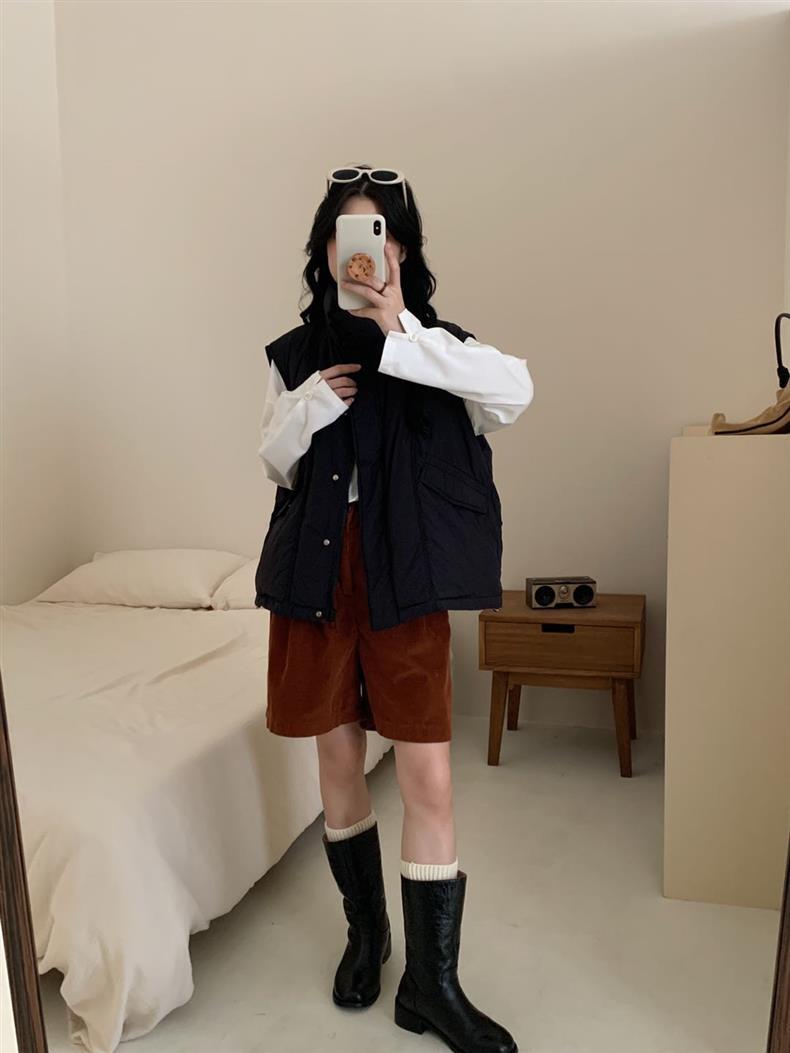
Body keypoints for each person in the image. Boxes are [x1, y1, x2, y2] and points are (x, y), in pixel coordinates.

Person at [255, 164, 534, 1053]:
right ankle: (367, 934)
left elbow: (515, 392)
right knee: (339, 759)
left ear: (400, 250)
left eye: (376, 234)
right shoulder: (293, 355)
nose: (360, 253)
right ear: (325, 249)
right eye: (345, 234)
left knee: (428, 775)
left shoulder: (440, 347)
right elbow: (273, 462)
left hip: (404, 576)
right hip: (317, 573)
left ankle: (432, 984)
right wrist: (309, 407)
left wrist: (400, 330)